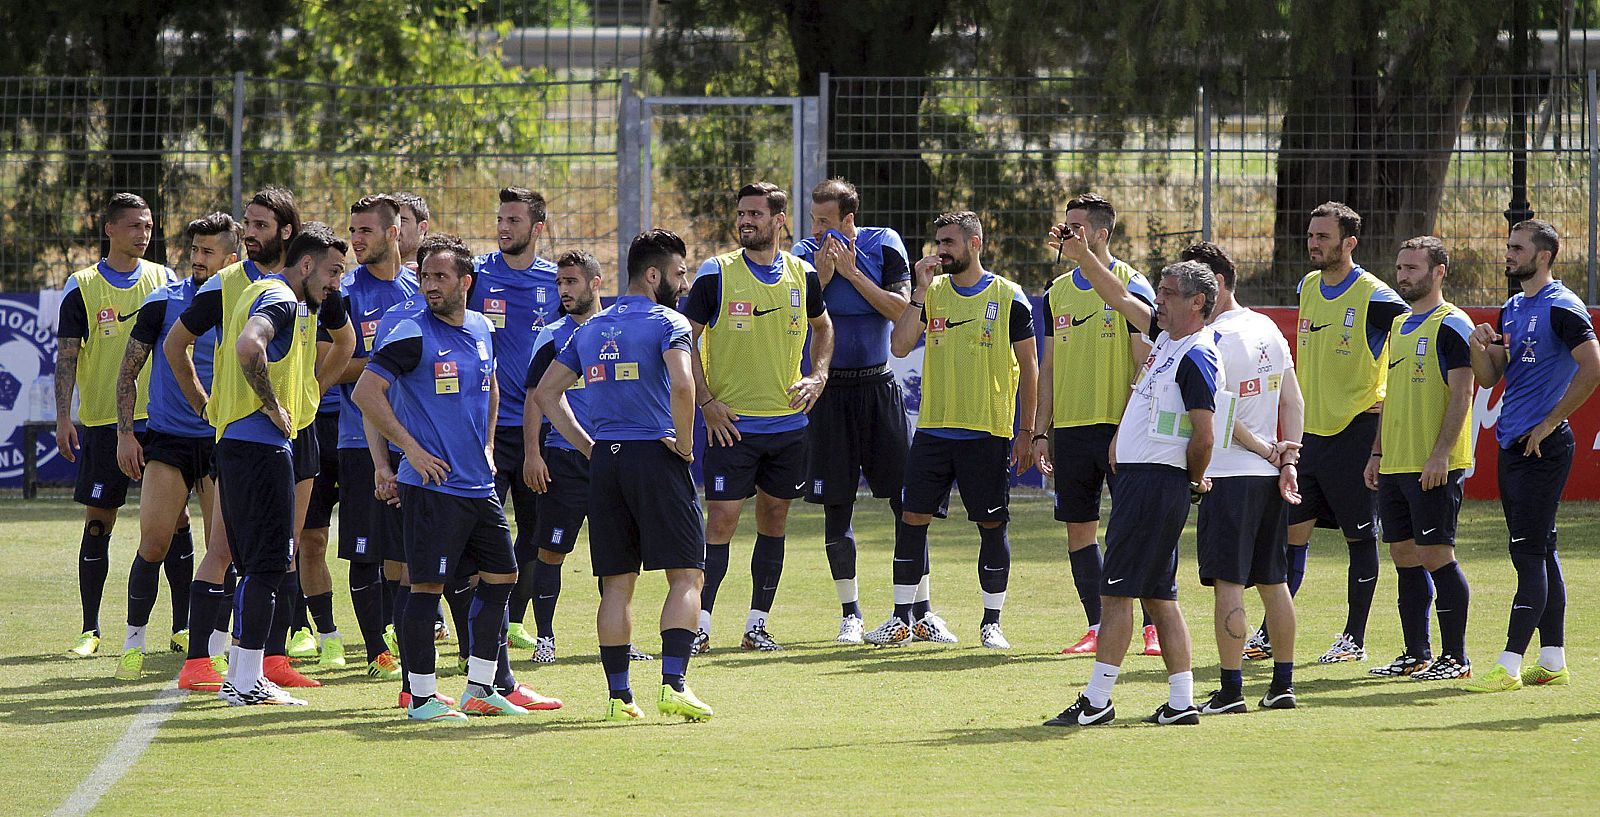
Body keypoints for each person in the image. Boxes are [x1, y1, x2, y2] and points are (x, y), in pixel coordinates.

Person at [355, 233, 561, 722]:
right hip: (432, 487)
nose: (430, 285)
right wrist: (410, 451)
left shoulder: (482, 326)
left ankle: (481, 688)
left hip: (478, 484)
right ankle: (421, 698)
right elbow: (366, 392)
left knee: (503, 575)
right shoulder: (411, 332)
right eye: (425, 276)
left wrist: (488, 447)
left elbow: (492, 386)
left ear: (465, 282)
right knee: (425, 587)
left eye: (441, 276)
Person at [167, 188, 353, 692]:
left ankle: (270, 661)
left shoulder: (313, 282)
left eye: (259, 225)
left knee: (283, 549)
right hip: (251, 432)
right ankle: (204, 661)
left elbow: (346, 342)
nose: (248, 233)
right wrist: (206, 405)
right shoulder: (237, 285)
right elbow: (178, 344)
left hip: (295, 431)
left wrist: (312, 390)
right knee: (227, 548)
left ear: (287, 233)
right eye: (246, 223)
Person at [532, 228, 713, 722]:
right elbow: (683, 385)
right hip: (655, 455)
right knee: (687, 575)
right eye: (678, 273)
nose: (683, 283)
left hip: (606, 464)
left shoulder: (589, 329)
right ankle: (674, 685)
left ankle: (619, 697)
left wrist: (588, 447)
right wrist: (685, 445)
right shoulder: (669, 321)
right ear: (653, 275)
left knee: (616, 583)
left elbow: (546, 394)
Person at [1044, 259, 1223, 727]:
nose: (1157, 299)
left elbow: (1205, 436)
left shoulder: (1196, 354)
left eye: (1168, 292)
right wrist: (1085, 255)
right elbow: (1121, 297)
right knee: (1160, 597)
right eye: (1158, 291)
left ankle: (1098, 700)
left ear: (1197, 302)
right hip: (1147, 483)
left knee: (1116, 594)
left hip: (1154, 484)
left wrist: (1190, 479)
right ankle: (1181, 703)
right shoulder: (1168, 339)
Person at [682, 181, 834, 652]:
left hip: (788, 427)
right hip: (732, 427)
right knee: (721, 522)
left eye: (755, 214)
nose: (745, 221)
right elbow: (685, 339)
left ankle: (756, 625)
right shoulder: (716, 273)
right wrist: (706, 402)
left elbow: (824, 326)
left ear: (779, 220)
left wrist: (819, 375)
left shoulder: (803, 274)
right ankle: (699, 626)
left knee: (775, 519)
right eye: (741, 213)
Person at [877, 210, 1037, 649]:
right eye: (939, 243)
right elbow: (899, 345)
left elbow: (1030, 366)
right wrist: (918, 292)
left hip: (987, 431)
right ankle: (901, 619)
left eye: (949, 242)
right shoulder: (933, 293)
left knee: (991, 524)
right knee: (912, 518)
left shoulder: (1008, 296)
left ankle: (991, 623)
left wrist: (1027, 431)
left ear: (975, 243)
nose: (941, 251)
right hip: (933, 431)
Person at [211, 222, 347, 706]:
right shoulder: (282, 299)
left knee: (255, 566)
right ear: (306, 264)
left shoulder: (260, 290)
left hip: (236, 444)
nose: (336, 284)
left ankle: (241, 676)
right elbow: (250, 345)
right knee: (270, 564)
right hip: (259, 447)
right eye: (332, 272)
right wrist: (271, 404)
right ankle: (246, 680)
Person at [1463, 220, 1600, 693]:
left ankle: (1508, 664)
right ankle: (1553, 659)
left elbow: (1592, 366)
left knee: (1526, 553)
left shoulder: (1563, 305)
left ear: (1543, 256)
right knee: (1541, 548)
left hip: (1543, 446)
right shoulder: (1513, 307)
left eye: (1517, 248)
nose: (1508, 253)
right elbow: (1490, 377)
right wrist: (1478, 346)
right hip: (1513, 443)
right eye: (1508, 246)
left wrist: (1549, 421)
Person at [1274, 202, 1408, 665]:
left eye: (1323, 237)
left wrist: (1387, 397)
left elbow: (1416, 333)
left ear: (1349, 243)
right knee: (1291, 534)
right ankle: (1272, 630)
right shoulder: (1308, 286)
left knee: (1359, 537)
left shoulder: (1376, 296)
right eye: (1311, 235)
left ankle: (1354, 637)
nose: (1313, 243)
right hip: (1310, 435)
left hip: (1356, 431)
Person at [1030, 193, 1164, 657]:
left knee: (1137, 528)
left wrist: (1126, 429)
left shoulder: (1132, 284)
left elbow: (1146, 364)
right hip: (1071, 431)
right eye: (1064, 225)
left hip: (1122, 430)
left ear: (1102, 234)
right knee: (1079, 529)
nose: (1066, 234)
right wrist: (1041, 431)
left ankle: (1154, 627)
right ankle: (1097, 625)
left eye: (1077, 228)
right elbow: (1048, 367)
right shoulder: (1056, 292)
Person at [1178, 242, 1304, 713]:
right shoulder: (1266, 326)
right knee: (1274, 582)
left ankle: (1231, 691)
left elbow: (1218, 415)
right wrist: (1287, 459)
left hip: (1228, 474)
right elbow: (1293, 400)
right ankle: (1283, 684)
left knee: (1228, 584)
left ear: (1214, 284)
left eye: (1188, 286)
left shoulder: (1210, 338)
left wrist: (1267, 449)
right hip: (1268, 477)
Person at [111, 213, 236, 679]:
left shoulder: (245, 302)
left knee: (223, 549)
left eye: (208, 252)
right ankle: (133, 644)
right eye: (195, 250)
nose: (198, 259)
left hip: (223, 440)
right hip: (168, 441)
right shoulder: (163, 301)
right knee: (154, 542)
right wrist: (126, 433)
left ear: (231, 258)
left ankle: (215, 648)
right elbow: (128, 371)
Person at [789, 178, 912, 645]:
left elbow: (900, 311)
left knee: (907, 502)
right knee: (836, 505)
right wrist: (822, 279)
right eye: (813, 220)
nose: (815, 230)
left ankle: (916, 611)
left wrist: (853, 274)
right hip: (830, 393)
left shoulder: (885, 244)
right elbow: (795, 313)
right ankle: (851, 614)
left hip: (878, 387)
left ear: (848, 220)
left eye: (824, 221)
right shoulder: (803, 254)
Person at [55, 193, 174, 657]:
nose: (143, 233)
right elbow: (67, 357)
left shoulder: (164, 279)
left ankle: (183, 628)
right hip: (105, 423)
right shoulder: (82, 286)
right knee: (98, 523)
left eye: (148, 226)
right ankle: (90, 629)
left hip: (160, 420)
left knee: (176, 523)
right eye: (134, 225)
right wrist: (64, 417)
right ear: (109, 228)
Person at [1361, 236, 1475, 683]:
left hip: (1433, 464)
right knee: (1404, 556)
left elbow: (1463, 392)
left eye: (1412, 268)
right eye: (1400, 268)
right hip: (1396, 462)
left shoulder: (1453, 324)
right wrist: (1377, 452)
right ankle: (1416, 653)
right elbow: (1390, 395)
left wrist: (1441, 455)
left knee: (1436, 554)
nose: (1402, 276)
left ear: (1438, 271)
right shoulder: (1399, 325)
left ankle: (1457, 657)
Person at [323, 193, 418, 680]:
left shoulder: (420, 288)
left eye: (365, 231)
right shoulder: (344, 294)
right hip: (359, 440)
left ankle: (401, 636)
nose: (356, 240)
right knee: (365, 549)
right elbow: (328, 367)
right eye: (352, 231)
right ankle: (375, 651)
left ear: (393, 232)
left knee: (405, 550)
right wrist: (389, 365)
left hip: (413, 439)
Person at [472, 186, 559, 652]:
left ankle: (515, 620)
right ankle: (481, 617)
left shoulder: (555, 281)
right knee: (480, 527)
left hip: (539, 430)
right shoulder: (478, 274)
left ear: (537, 228)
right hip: (484, 427)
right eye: (500, 219)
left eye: (514, 220)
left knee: (535, 530)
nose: (503, 228)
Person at [518, 251, 604, 663]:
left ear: (595, 283)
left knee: (615, 553)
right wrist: (533, 454)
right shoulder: (552, 335)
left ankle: (618, 639)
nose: (564, 290)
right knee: (551, 551)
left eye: (572, 282)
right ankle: (545, 639)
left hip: (609, 459)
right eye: (559, 283)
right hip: (564, 459)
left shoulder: (612, 330)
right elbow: (535, 397)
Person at [393, 191, 431, 271]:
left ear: (422, 227)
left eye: (401, 221)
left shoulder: (437, 269)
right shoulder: (371, 270)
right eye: (389, 221)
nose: (393, 228)